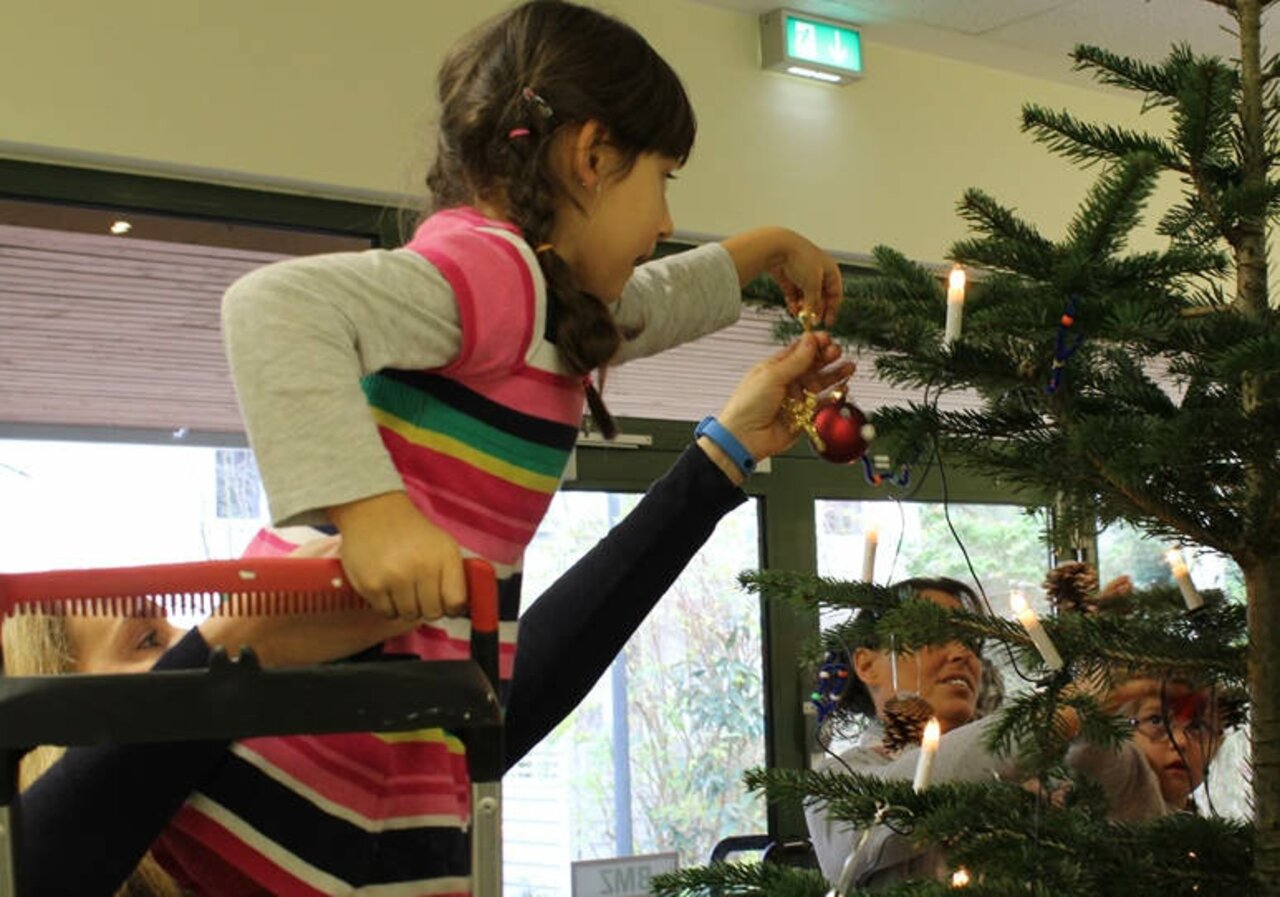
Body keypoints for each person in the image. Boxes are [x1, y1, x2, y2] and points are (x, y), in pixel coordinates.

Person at [210, 0, 844, 891]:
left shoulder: (544, 301)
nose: (665, 220)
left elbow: (648, 303)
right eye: (662, 179)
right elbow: (273, 310)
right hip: (319, 717)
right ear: (590, 157)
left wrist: (767, 247)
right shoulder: (495, 269)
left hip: (407, 724)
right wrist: (372, 515)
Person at [8, 331, 852, 896]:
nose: (186, 642)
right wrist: (234, 641)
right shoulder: (73, 847)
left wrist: (719, 458)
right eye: (149, 639)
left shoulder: (287, 785)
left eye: (176, 631)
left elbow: (505, 693)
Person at [805, 579, 1230, 888]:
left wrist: (1099, 693)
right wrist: (1062, 712)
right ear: (866, 664)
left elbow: (1139, 833)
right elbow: (899, 806)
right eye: (932, 635)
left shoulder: (1036, 760)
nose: (961, 654)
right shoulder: (838, 781)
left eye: (971, 641)